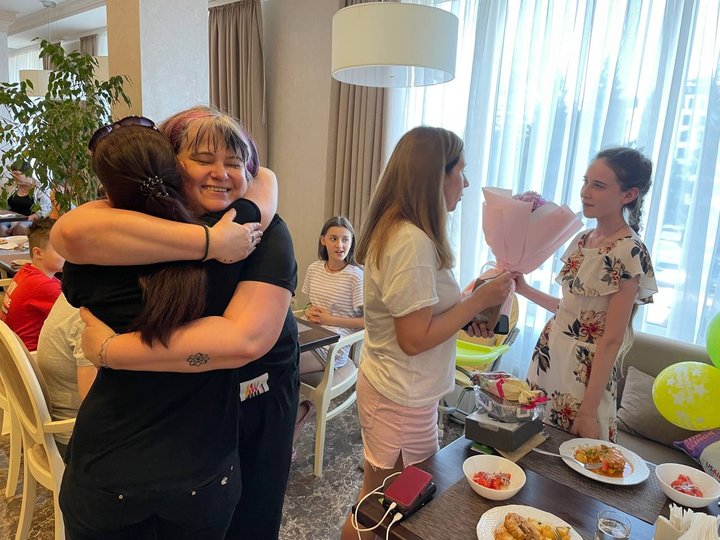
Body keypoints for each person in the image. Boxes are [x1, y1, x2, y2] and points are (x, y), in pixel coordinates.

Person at [53, 107, 299, 540]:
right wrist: (211, 243)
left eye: (234, 161)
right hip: (174, 459)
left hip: (230, 414)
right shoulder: (129, 231)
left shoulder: (254, 231)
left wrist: (112, 351)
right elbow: (70, 233)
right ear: (168, 164)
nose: (220, 172)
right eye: (202, 159)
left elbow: (244, 341)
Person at [340, 127, 513, 540]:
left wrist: (465, 307)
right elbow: (414, 338)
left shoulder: (403, 231)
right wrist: (475, 300)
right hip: (399, 395)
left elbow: (417, 314)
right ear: (437, 177)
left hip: (401, 390)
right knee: (382, 507)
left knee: (384, 502)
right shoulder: (411, 241)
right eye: (460, 172)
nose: (466, 184)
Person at [515, 147, 657, 442]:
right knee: (533, 445)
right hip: (550, 353)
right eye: (585, 181)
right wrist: (524, 289)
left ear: (629, 195)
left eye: (599, 185)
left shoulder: (630, 251)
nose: (585, 192)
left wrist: (588, 412)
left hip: (585, 372)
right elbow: (572, 311)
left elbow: (611, 339)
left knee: (579, 456)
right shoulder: (582, 240)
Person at [295, 216, 364, 459]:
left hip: (334, 347)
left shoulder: (355, 275)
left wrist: (331, 320)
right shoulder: (315, 269)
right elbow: (310, 305)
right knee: (271, 356)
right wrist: (309, 311)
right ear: (323, 240)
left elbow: (368, 322)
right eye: (334, 238)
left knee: (283, 366)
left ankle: (290, 431)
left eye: (345, 239)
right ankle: (282, 424)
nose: (340, 245)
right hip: (310, 335)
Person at [36, 293, 96, 456]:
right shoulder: (90, 317)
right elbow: (93, 403)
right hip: (74, 437)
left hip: (60, 424)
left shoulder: (73, 293)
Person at [0, 217, 63, 350]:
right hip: (32, 355)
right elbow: (75, 315)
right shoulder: (43, 285)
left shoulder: (26, 271)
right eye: (60, 249)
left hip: (12, 352)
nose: (68, 254)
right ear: (38, 253)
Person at [2, 159, 52, 236]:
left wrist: (19, 221)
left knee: (20, 228)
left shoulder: (41, 188)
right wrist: (12, 220)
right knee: (1, 228)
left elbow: (43, 212)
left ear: (28, 173)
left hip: (33, 220)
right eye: (12, 174)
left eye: (17, 174)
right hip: (13, 219)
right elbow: (7, 208)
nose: (14, 177)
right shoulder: (12, 186)